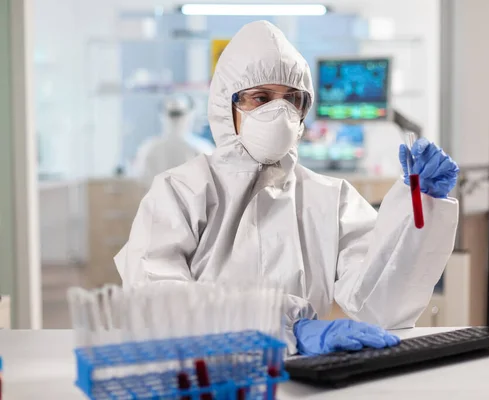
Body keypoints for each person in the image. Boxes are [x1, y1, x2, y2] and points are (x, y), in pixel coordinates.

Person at [115, 20, 460, 356]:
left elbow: (381, 302)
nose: (278, 112)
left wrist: (419, 207)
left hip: (308, 380)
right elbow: (155, 302)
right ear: (225, 105)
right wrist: (285, 326)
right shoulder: (179, 192)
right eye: (260, 97)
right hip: (211, 377)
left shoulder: (331, 198)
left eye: (291, 99)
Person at [132, 93, 204, 187]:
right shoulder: (202, 150)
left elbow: (140, 180)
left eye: (177, 115)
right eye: (173, 115)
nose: (176, 120)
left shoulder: (148, 148)